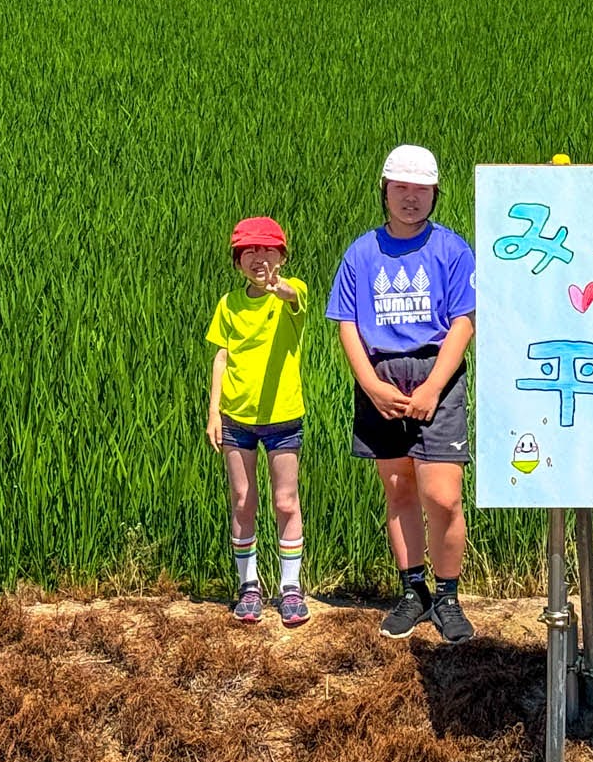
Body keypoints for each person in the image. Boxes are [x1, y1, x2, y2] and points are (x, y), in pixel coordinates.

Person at [328, 145, 478, 643]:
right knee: (399, 490)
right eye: (401, 188)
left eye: (420, 190)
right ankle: (413, 590)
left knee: (444, 495)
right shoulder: (361, 252)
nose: (410, 199)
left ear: (435, 194)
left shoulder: (452, 250)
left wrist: (435, 386)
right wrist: (371, 386)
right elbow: (346, 323)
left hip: (436, 370)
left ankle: (449, 594)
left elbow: (464, 321)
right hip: (381, 374)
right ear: (385, 192)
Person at [205, 216, 309, 627]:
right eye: (249, 250)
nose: (258, 257)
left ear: (281, 256)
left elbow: (289, 295)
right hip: (236, 418)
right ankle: (248, 587)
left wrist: (276, 287)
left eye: (267, 249)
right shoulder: (228, 304)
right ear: (237, 260)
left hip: (283, 416)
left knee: (285, 500)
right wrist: (214, 410)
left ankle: (290, 588)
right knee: (243, 501)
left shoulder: (291, 292)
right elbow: (221, 356)